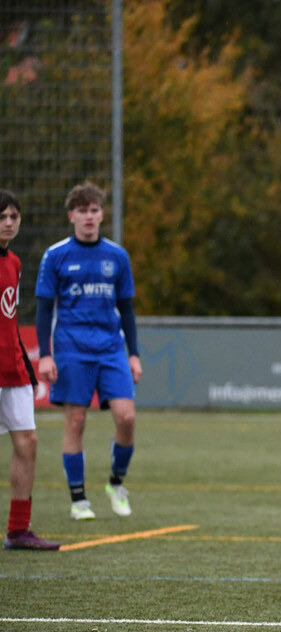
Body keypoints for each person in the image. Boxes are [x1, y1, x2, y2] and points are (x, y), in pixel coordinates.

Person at [35, 181, 143, 521]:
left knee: (126, 417)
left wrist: (134, 353)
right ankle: (79, 500)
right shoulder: (56, 255)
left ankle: (116, 483)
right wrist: (46, 354)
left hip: (111, 348)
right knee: (76, 420)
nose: (89, 217)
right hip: (71, 348)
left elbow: (126, 309)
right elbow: (43, 309)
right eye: (82, 211)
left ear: (102, 214)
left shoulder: (117, 255)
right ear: (72, 216)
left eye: (94, 210)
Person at [0, 190, 59, 550]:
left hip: (13, 368)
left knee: (28, 443)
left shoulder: (15, 263)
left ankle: (18, 530)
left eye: (13, 216)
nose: (8, 222)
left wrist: (23, 358)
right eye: (2, 216)